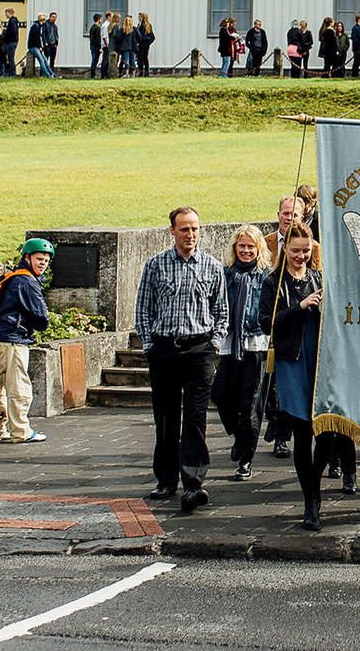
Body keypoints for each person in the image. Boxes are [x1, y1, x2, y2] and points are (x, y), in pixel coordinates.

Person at [135, 206, 226, 514]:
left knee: (196, 418)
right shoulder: (155, 265)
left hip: (198, 349)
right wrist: (148, 344)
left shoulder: (212, 266)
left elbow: (221, 312)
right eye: (184, 229)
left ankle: (193, 480)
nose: (190, 235)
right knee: (166, 417)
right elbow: (143, 309)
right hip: (164, 349)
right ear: (171, 230)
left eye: (195, 229)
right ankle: (165, 479)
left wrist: (213, 344)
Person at [268, 223, 353, 529]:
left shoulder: (318, 276)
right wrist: (299, 307)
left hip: (321, 359)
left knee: (328, 434)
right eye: (295, 251)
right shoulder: (274, 281)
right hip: (293, 361)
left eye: (306, 250)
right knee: (303, 433)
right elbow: (266, 322)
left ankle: (313, 483)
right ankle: (311, 501)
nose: (301, 256)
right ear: (284, 250)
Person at [212, 225, 271, 480]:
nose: (246, 251)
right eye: (242, 246)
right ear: (235, 248)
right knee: (220, 395)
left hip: (255, 342)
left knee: (250, 404)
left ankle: (246, 459)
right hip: (230, 340)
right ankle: (238, 434)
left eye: (251, 247)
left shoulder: (266, 276)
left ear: (258, 249)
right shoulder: (226, 274)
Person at [0, 238, 53, 444]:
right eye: (39, 259)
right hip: (12, 340)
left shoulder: (11, 277)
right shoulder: (27, 282)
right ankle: (21, 431)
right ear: (27, 258)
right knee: (19, 387)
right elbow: (42, 317)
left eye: (46, 261)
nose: (43, 264)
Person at [88, 14, 104, 78]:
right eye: (100, 18)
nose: (101, 20)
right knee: (95, 61)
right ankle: (93, 75)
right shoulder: (97, 28)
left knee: (93, 60)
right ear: (98, 19)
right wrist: (99, 48)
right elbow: (98, 39)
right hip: (96, 47)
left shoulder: (92, 27)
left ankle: (92, 74)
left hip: (92, 46)